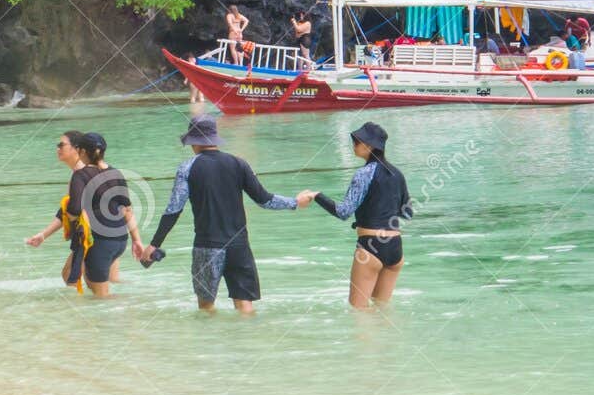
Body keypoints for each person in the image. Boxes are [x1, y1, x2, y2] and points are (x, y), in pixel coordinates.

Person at [137, 116, 307, 314]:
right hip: (239, 246)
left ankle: (212, 343)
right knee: (245, 307)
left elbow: (174, 209)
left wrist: (155, 243)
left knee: (206, 308)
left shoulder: (187, 168)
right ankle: (246, 342)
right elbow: (264, 199)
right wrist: (294, 202)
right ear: (214, 139)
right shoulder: (239, 164)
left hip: (207, 247)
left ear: (194, 141)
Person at [298, 121, 412, 311]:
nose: (353, 146)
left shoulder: (364, 173)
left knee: (358, 312)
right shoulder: (397, 174)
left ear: (369, 146)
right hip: (395, 248)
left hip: (370, 247)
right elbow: (407, 212)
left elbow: (343, 212)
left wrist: (316, 196)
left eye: (356, 142)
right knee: (382, 310)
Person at [25, 131, 138, 296]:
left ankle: (96, 311)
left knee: (75, 277)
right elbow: (68, 210)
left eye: (61, 144)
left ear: (77, 149)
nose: (57, 148)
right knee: (98, 282)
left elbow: (73, 210)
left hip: (98, 237)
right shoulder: (96, 171)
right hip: (113, 235)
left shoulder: (82, 174)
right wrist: (44, 235)